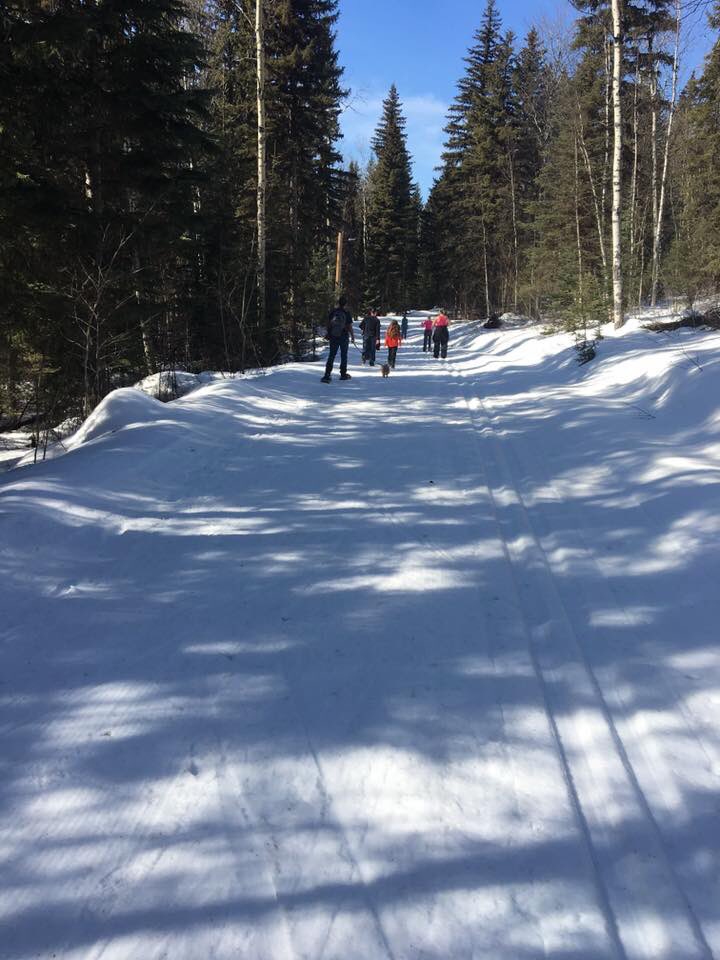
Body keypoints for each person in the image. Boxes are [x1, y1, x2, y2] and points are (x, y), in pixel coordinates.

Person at [321, 297, 355, 382]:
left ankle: (327, 374)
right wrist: (352, 336)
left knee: (332, 355)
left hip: (334, 336)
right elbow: (349, 326)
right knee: (344, 355)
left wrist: (328, 333)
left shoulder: (333, 312)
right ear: (345, 304)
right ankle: (343, 374)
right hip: (343, 336)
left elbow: (328, 323)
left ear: (338, 303)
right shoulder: (346, 313)